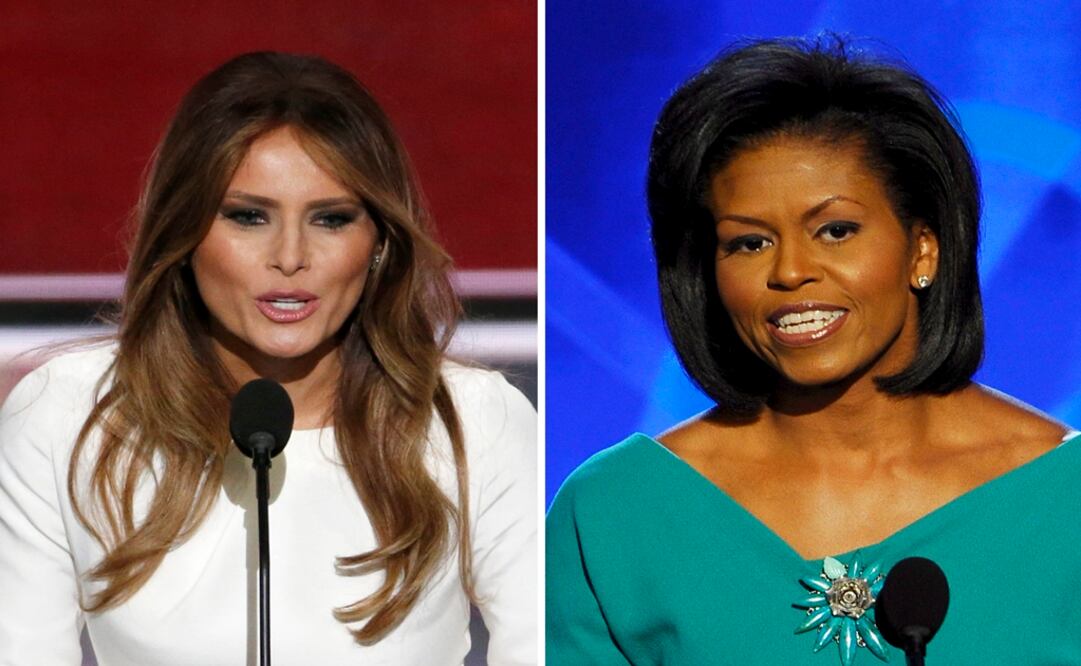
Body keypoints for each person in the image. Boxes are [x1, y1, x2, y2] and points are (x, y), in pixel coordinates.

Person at [546, 36, 1079, 665]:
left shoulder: (1063, 499)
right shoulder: (615, 511)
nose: (791, 272)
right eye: (748, 243)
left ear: (923, 249)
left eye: (835, 231)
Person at [0, 52, 536, 665]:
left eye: (331, 219)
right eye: (248, 216)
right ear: (185, 230)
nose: (290, 256)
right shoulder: (66, 414)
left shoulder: (474, 421)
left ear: (380, 242)